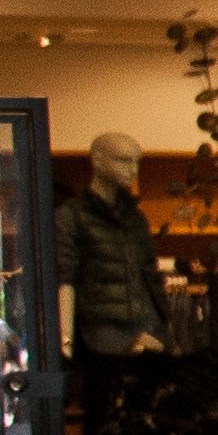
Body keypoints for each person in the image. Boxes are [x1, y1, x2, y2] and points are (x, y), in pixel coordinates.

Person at [57, 136, 163, 357]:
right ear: (98, 161)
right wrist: (64, 341)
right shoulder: (71, 216)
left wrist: (163, 330)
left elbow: (150, 275)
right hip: (98, 339)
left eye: (136, 162)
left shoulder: (136, 218)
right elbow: (64, 279)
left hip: (145, 335)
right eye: (124, 161)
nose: (133, 170)